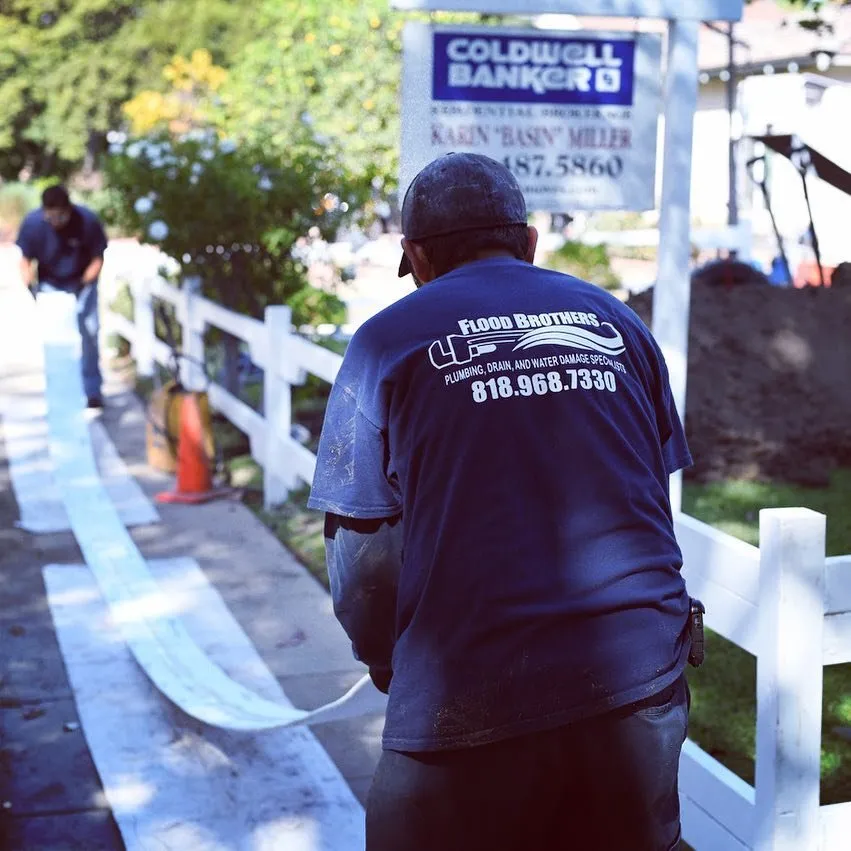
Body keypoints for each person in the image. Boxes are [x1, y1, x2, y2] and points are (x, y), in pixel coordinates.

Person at [308, 153, 696, 851]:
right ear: (529, 241)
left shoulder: (384, 343)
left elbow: (362, 553)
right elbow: (649, 494)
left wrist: (387, 658)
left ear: (415, 256)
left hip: (467, 688)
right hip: (637, 673)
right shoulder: (615, 322)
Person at [17, 184, 109, 408]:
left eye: (60, 216)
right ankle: (61, 390)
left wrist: (83, 284)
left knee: (89, 333)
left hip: (82, 282)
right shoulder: (33, 224)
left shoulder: (87, 221)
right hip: (50, 286)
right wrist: (31, 288)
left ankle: (92, 390)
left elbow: (98, 259)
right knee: (56, 340)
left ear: (69, 210)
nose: (55, 221)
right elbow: (25, 261)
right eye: (50, 217)